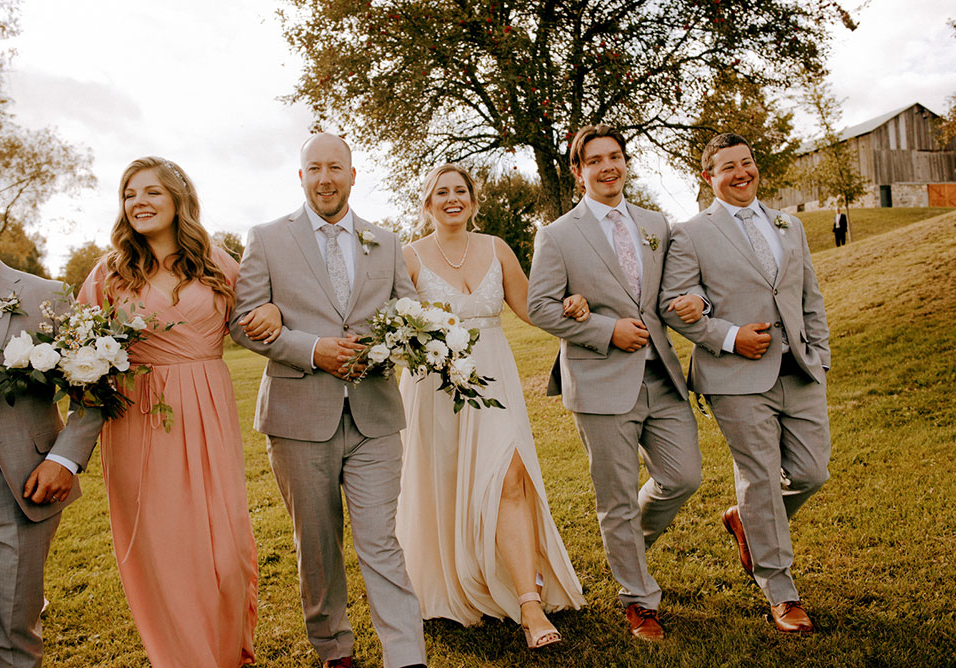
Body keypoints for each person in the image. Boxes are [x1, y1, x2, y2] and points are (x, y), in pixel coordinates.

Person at [230, 133, 427, 668]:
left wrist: (384, 345)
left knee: (380, 541)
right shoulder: (267, 238)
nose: (325, 178)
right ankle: (334, 650)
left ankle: (406, 657)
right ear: (300, 177)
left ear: (352, 174)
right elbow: (244, 324)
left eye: (335, 167)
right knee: (316, 547)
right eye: (314, 168)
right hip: (297, 416)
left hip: (375, 415)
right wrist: (313, 349)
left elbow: (411, 314)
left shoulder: (384, 240)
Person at [78, 157, 276, 666]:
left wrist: (272, 310)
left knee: (225, 554)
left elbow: (260, 310)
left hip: (207, 411)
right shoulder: (110, 272)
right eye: (129, 194)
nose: (138, 202)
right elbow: (77, 350)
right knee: (162, 554)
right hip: (138, 422)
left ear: (178, 200)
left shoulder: (215, 262)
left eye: (151, 193)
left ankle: (226, 649)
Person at [396, 164, 587, 649]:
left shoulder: (497, 248)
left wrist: (572, 305)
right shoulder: (409, 257)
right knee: (449, 483)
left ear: (473, 200)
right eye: (442, 192)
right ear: (427, 203)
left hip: (494, 379)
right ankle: (461, 577)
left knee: (509, 475)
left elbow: (530, 307)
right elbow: (392, 326)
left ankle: (528, 603)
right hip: (435, 387)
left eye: (461, 190)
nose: (452, 198)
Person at [527, 124, 705, 641]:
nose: (608, 167)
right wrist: (605, 330)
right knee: (617, 498)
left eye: (615, 157)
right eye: (595, 160)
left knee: (684, 477)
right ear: (578, 171)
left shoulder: (656, 224)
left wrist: (700, 303)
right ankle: (638, 600)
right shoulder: (557, 234)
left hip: (662, 376)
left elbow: (679, 288)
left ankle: (626, 548)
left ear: (625, 162)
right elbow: (540, 306)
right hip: (600, 381)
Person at [660, 133, 831, 633]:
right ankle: (781, 592)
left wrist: (819, 355)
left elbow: (808, 294)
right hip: (734, 377)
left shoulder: (789, 224)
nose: (741, 173)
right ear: (709, 177)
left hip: (798, 370)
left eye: (747, 162)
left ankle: (746, 521)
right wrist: (731, 337)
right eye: (727, 167)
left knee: (812, 472)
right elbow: (676, 302)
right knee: (760, 475)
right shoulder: (690, 233)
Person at [0, 180, 103, 668]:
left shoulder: (43, 295)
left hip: (11, 482)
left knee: (12, 631)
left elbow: (94, 388)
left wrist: (63, 459)